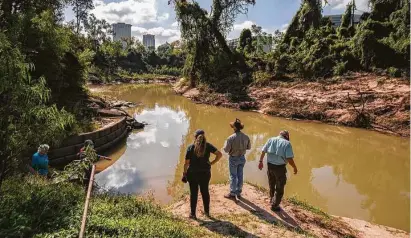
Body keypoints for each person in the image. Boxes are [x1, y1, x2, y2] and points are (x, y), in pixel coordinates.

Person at [182, 129, 222, 219]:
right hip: (205, 173)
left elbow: (186, 163)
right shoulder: (208, 146)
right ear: (204, 137)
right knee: (205, 192)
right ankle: (207, 213)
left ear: (195, 137)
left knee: (193, 193)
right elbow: (219, 154)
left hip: (192, 174)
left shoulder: (190, 147)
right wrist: (211, 163)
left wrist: (184, 173)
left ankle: (193, 214)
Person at [258, 130, 298, 212]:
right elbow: (289, 158)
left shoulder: (271, 139)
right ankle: (274, 205)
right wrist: (294, 167)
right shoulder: (287, 143)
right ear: (287, 136)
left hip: (270, 166)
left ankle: (272, 199)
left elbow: (263, 151)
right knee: (280, 186)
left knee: (271, 183)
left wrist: (261, 161)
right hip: (280, 168)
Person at [223, 118, 251, 199]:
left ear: (234, 128)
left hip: (233, 158)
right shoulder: (246, 137)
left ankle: (232, 193)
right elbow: (249, 147)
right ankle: (238, 192)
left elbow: (226, 150)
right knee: (240, 175)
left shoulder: (231, 138)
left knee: (233, 175)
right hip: (242, 158)